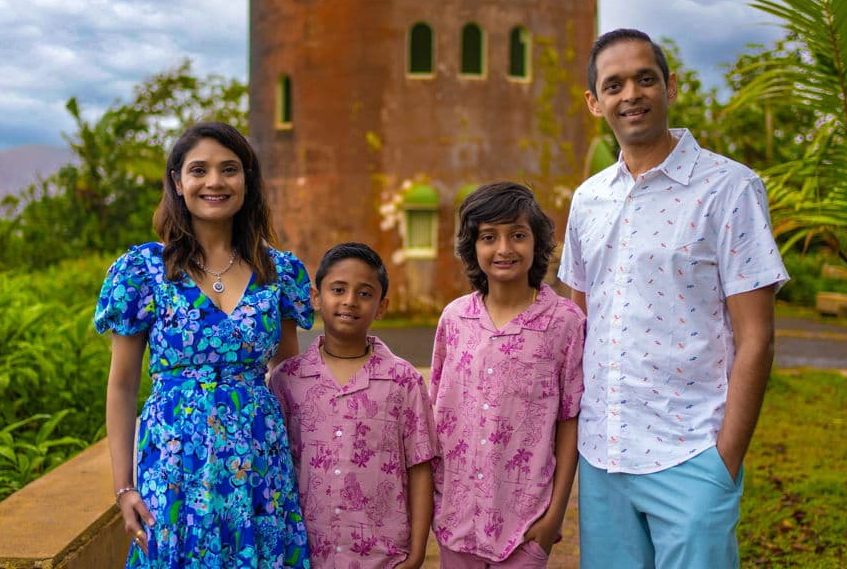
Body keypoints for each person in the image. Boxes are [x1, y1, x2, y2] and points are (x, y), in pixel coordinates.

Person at [559, 28, 790, 568]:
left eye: (645, 79)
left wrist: (723, 462)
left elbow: (757, 337)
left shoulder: (730, 188)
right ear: (594, 102)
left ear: (671, 86)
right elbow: (578, 323)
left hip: (692, 455)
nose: (631, 95)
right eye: (613, 85)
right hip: (604, 457)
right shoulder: (588, 199)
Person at [94, 122, 312, 567]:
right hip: (174, 470)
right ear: (178, 182)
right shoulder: (143, 271)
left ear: (247, 181)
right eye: (199, 170)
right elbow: (122, 386)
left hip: (260, 468)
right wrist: (124, 486)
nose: (215, 181)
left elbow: (290, 379)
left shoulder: (279, 271)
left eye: (229, 169)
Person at [430, 182, 585, 568]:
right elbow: (439, 412)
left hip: (526, 525)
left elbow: (569, 422)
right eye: (489, 237)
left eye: (517, 235)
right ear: (472, 246)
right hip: (456, 519)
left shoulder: (565, 322)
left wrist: (553, 518)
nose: (504, 248)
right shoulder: (454, 319)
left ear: (537, 242)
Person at [269, 242, 439, 569]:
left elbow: (420, 467)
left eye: (364, 293)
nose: (349, 300)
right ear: (316, 297)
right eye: (338, 289)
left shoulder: (403, 381)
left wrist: (417, 552)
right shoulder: (287, 380)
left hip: (382, 556)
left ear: (382, 306)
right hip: (305, 554)